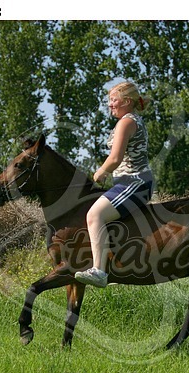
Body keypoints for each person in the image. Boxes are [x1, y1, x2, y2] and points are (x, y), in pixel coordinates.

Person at [75, 81, 154, 288]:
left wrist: (101, 172)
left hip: (134, 183)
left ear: (126, 101)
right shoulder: (129, 120)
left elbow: (115, 158)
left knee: (94, 215)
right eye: (110, 100)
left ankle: (99, 272)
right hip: (126, 183)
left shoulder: (127, 122)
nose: (110, 104)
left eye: (113, 100)